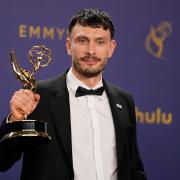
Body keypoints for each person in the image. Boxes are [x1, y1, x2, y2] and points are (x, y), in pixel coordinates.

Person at [0, 8, 147, 180]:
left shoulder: (124, 100)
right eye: (82, 41)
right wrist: (15, 120)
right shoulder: (38, 96)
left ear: (111, 48)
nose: (91, 51)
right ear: (69, 45)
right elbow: (2, 161)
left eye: (100, 42)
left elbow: (133, 167)